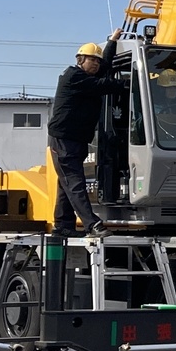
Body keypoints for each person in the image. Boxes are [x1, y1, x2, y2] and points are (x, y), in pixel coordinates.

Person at [47, 36, 120, 235]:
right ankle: (92, 224)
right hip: (64, 139)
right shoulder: (74, 76)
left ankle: (63, 225)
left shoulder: (86, 77)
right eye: (92, 60)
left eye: (97, 60)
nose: (96, 64)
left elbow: (105, 67)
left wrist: (112, 42)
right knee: (74, 182)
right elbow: (103, 85)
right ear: (80, 60)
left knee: (67, 183)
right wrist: (128, 83)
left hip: (76, 139)